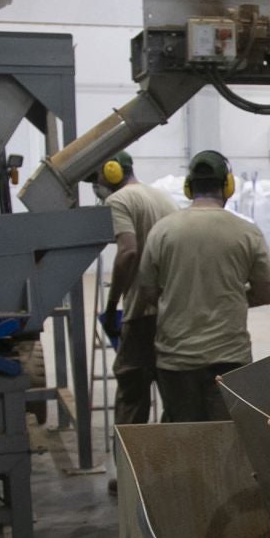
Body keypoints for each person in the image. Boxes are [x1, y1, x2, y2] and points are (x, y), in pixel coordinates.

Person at [135, 149, 270, 422]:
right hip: (229, 359)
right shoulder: (247, 232)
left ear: (188, 188)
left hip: (176, 360)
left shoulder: (162, 231)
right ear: (228, 187)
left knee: (184, 439)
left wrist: (181, 298)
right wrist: (227, 297)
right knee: (226, 441)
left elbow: (147, 291)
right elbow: (265, 292)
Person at [94, 151, 177, 429]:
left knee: (132, 395)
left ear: (112, 171)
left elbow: (128, 252)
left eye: (97, 177)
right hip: (171, 312)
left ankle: (130, 469)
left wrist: (111, 304)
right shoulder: (161, 197)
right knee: (174, 396)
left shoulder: (118, 200)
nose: (97, 184)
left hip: (141, 312)